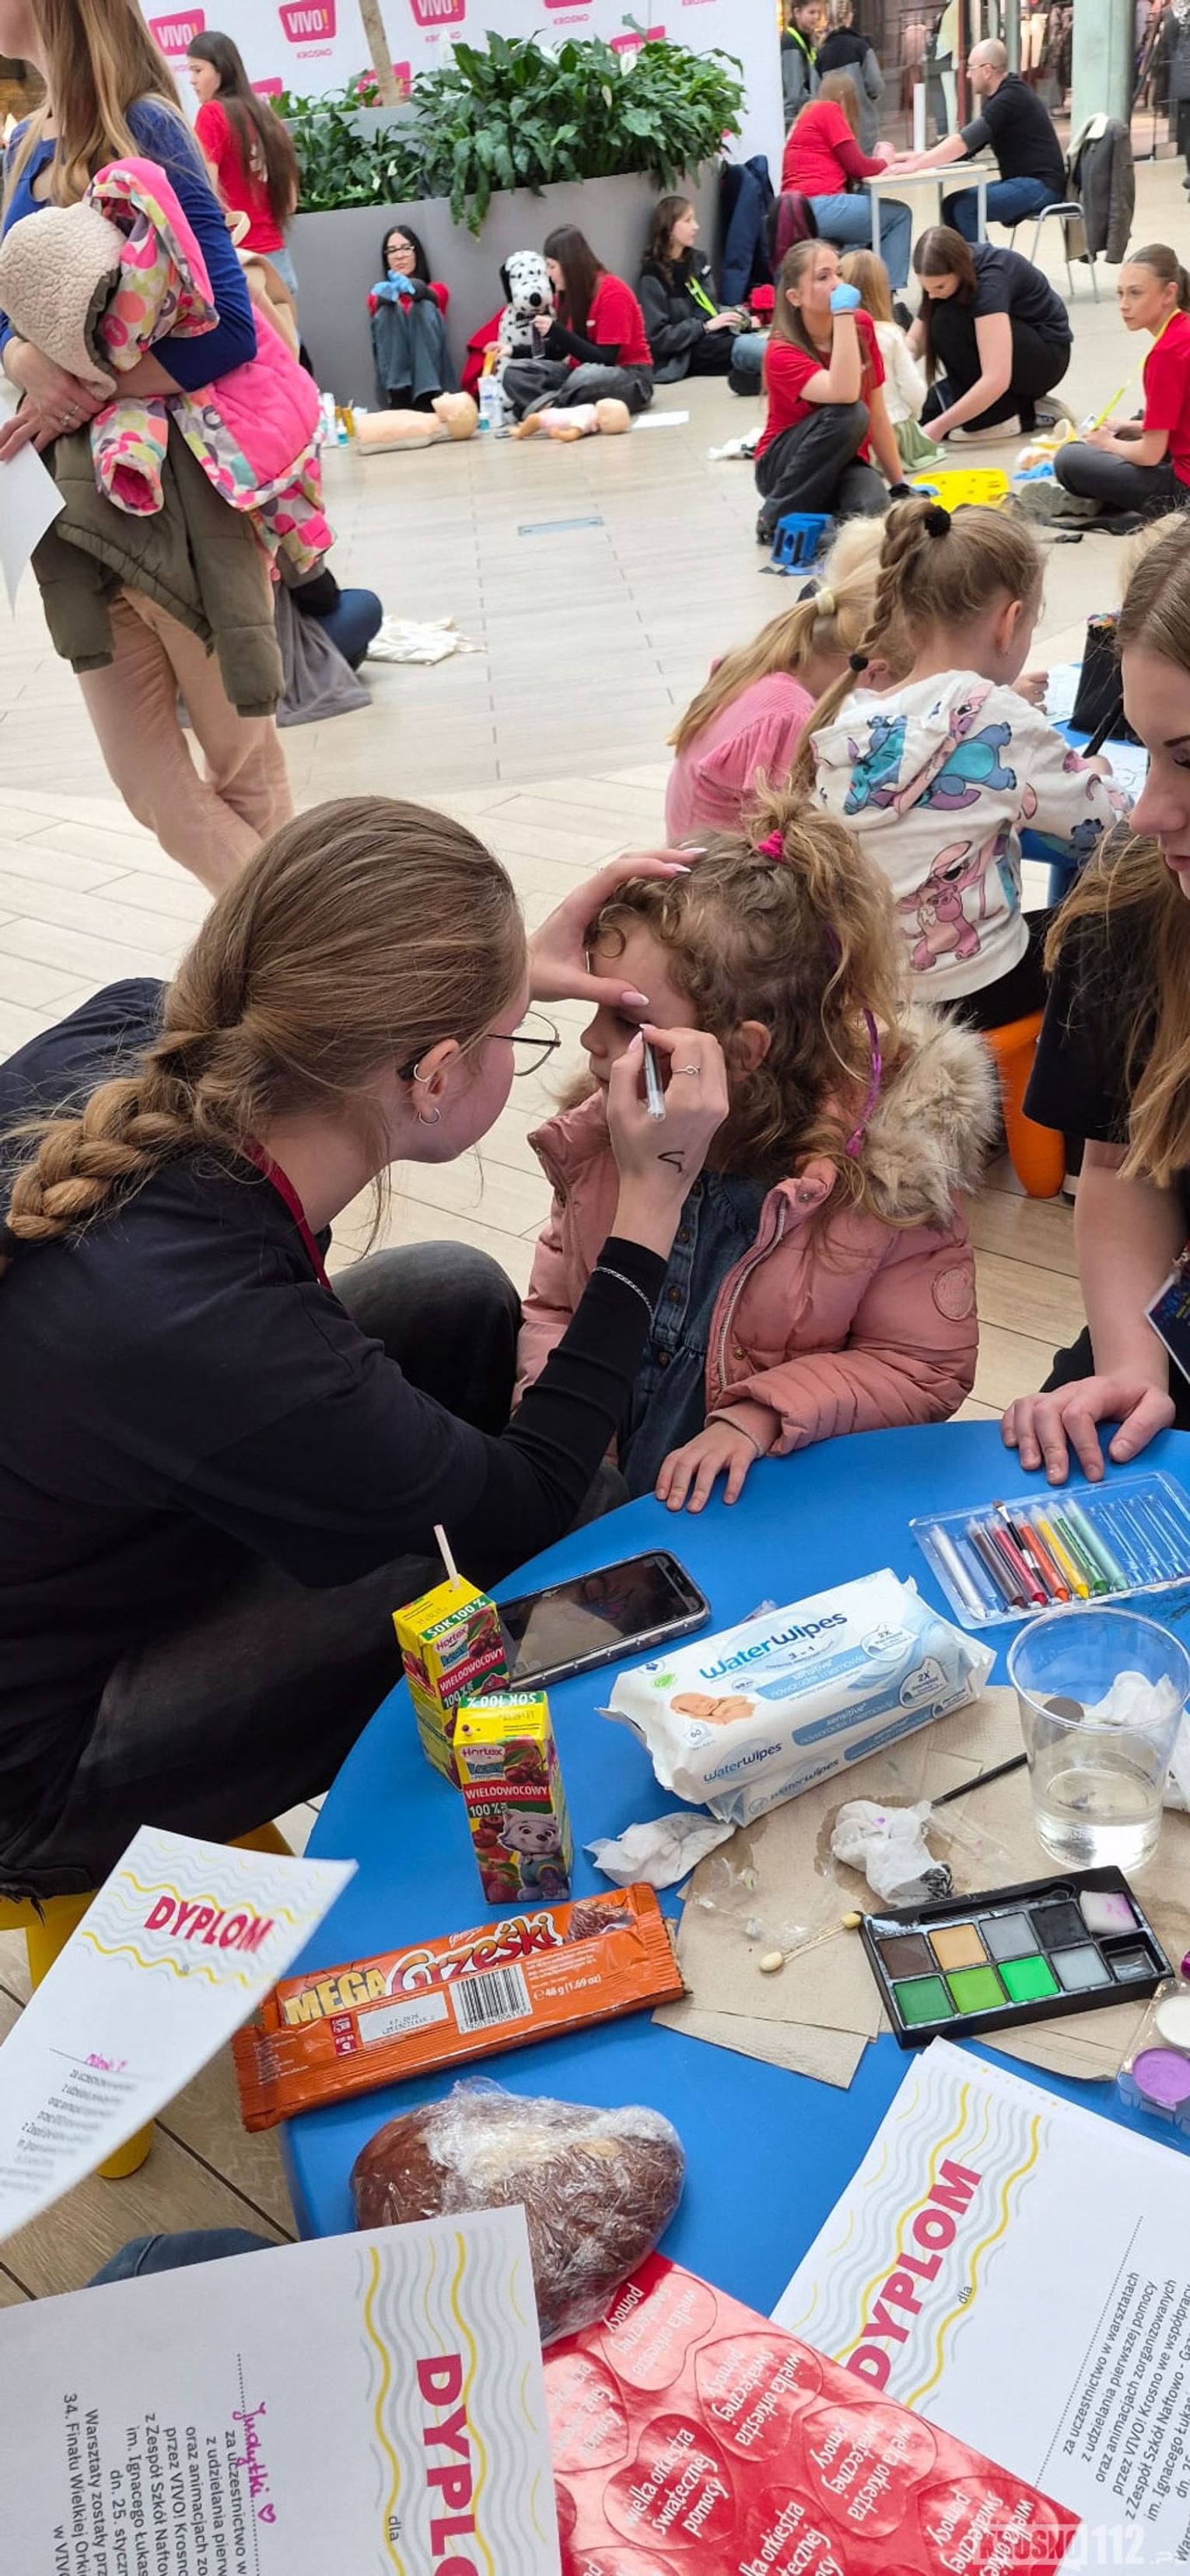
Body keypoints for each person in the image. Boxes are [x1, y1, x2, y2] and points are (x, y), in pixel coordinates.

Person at [0, 801, 729, 1899]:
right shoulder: (217, 1327)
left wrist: (500, 978)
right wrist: (651, 1202)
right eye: (515, 1034)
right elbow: (530, 1501)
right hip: (40, 1758)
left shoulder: (141, 1028)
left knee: (450, 1294)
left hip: (79, 1543)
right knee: (577, 1518)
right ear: (432, 1076)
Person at [515, 811, 995, 1513]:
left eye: (627, 1022)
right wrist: (558, 1428)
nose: (591, 1041)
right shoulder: (600, 1142)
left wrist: (763, 1414)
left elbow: (923, 1367)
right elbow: (555, 1307)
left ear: (743, 1051)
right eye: (595, 1006)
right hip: (597, 1494)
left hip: (749, 1504)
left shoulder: (882, 1187)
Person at [0, 0, 291, 894]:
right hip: (70, 516)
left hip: (181, 501)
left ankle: (306, 961)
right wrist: (20, 358)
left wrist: (83, 383)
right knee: (149, 787)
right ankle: (314, 948)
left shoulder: (148, 124)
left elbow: (230, 327)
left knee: (244, 773)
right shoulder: (23, 144)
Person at [1002, 516, 1190, 1478]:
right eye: (1146, 753)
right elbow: (1122, 1166)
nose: (1148, 812)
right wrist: (1129, 1364)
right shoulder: (1132, 910)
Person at [804, 497, 1129, 1027]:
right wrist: (1101, 779)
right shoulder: (998, 715)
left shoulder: (850, 720)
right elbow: (1099, 829)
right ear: (1010, 622)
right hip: (978, 989)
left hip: (871, 991)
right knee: (1109, 931)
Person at [665, 520, 901, 839]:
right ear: (873, 670)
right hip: (721, 865)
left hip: (696, 852)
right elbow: (794, 834)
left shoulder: (764, 663)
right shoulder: (789, 717)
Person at [755, 241, 905, 547]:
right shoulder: (781, 351)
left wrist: (899, 484)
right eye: (823, 277)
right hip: (784, 466)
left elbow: (877, 413)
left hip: (846, 461)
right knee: (850, 413)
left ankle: (820, 526)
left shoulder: (860, 325)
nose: (837, 284)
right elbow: (845, 393)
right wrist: (843, 314)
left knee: (874, 516)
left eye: (839, 273)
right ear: (795, 297)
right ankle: (774, 518)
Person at [1053, 246, 1190, 523]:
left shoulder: (1165, 354)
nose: (1124, 305)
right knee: (1136, 423)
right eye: (1120, 293)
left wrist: (1107, 444)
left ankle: (1101, 492)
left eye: (1135, 293)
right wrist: (1130, 427)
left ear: (1169, 293)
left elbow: (1150, 455)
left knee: (1069, 460)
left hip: (1182, 492)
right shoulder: (1183, 330)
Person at [887, 35, 1066, 243]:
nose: (968, 75)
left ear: (987, 71)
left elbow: (962, 142)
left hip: (1042, 186)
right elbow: (965, 149)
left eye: (971, 69)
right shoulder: (1000, 98)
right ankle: (965, 262)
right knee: (951, 205)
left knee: (965, 207)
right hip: (1023, 182)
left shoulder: (1010, 97)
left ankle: (986, 262)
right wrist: (903, 159)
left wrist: (915, 165)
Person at [908, 225, 1072, 442]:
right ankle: (1026, 404)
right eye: (926, 288)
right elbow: (915, 341)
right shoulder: (945, 278)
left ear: (959, 270)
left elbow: (996, 378)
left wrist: (939, 428)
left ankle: (1011, 416)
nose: (932, 295)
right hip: (1006, 351)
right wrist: (889, 362)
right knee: (925, 414)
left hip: (1044, 358)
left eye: (939, 287)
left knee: (947, 321)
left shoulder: (991, 282)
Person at [187, 30, 299, 299]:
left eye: (198, 70)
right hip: (278, 263)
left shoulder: (212, 114)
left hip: (238, 262)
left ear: (221, 70)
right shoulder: (267, 116)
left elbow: (206, 195)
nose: (192, 80)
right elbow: (290, 203)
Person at [500, 226, 653, 421]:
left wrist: (556, 330)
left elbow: (605, 360)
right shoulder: (565, 296)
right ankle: (559, 409)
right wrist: (512, 350)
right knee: (514, 373)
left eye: (552, 267)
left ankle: (546, 407)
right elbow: (559, 351)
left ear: (569, 265)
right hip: (577, 374)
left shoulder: (613, 293)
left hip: (628, 376)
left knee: (584, 377)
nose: (549, 274)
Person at [781, 72, 912, 293]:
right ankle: (887, 295)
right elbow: (858, 167)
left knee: (867, 199)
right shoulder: (828, 110)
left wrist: (889, 160)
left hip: (799, 210)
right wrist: (885, 160)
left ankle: (862, 291)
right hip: (819, 207)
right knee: (899, 215)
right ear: (843, 97)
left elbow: (850, 165)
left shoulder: (807, 115)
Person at [636, 194, 759, 384]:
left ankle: (756, 382)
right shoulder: (652, 276)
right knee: (747, 349)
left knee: (760, 346)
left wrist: (741, 318)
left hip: (713, 337)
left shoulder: (697, 261)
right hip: (688, 351)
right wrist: (703, 327)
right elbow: (657, 337)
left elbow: (709, 308)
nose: (696, 226)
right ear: (670, 228)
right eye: (688, 220)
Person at [840, 247, 938, 467]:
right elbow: (914, 390)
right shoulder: (891, 334)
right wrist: (913, 417)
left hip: (850, 434)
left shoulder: (834, 335)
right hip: (894, 430)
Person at [369, 222, 457, 411]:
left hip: (436, 384)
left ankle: (426, 395)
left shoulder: (438, 290)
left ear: (417, 253)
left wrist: (409, 286)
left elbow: (424, 293)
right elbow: (376, 302)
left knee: (423, 307)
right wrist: (392, 292)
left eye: (405, 248)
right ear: (386, 258)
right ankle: (399, 393)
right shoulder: (378, 296)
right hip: (397, 387)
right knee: (389, 311)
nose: (399, 255)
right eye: (392, 251)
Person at [816, 0, 884, 154]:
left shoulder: (821, 55)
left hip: (833, 134)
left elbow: (816, 97)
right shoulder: (861, 47)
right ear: (849, 17)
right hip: (864, 128)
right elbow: (876, 85)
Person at [782, 0, 821, 122]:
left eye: (818, 12)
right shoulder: (791, 44)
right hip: (795, 118)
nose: (816, 17)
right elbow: (795, 94)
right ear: (797, 13)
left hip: (803, 115)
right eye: (811, 12)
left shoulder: (807, 41)